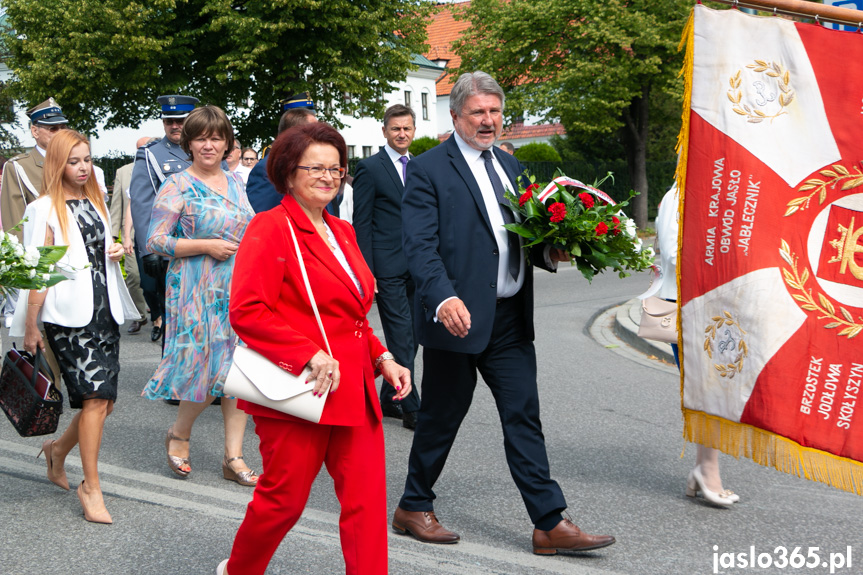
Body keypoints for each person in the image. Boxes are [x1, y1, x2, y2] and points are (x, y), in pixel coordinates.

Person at [393, 71, 616, 555]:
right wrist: (444, 297)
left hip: (511, 317)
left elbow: (520, 239)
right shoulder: (429, 169)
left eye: (494, 111)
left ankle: (549, 521)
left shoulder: (513, 169)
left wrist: (550, 253)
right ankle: (413, 505)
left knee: (523, 414)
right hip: (457, 318)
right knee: (441, 417)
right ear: (455, 117)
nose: (488, 120)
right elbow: (420, 247)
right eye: (478, 112)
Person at [218, 122, 411, 575]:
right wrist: (307, 353)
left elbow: (353, 315)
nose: (328, 177)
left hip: (354, 387)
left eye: (336, 168)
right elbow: (248, 311)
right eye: (316, 168)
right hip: (298, 387)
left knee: (365, 504)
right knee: (283, 503)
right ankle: (240, 570)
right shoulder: (270, 227)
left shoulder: (343, 231)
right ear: (288, 174)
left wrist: (382, 357)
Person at [12, 130, 136, 524]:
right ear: (57, 163)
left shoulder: (95, 202)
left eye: (86, 159)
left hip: (104, 312)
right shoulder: (43, 209)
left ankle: (57, 451)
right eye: (74, 161)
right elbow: (39, 271)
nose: (83, 168)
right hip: (68, 319)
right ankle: (91, 486)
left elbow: (97, 249)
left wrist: (114, 247)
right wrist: (31, 326)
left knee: (105, 402)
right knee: (95, 401)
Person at [141, 105, 258, 486]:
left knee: (237, 373)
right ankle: (179, 433)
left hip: (237, 287)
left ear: (227, 143)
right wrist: (205, 244)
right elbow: (155, 240)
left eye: (217, 137)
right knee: (202, 370)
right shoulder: (177, 184)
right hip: (194, 288)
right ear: (189, 143)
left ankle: (233, 456)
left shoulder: (237, 182)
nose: (209, 145)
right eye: (201, 138)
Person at [654, 185, 740, 508]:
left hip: (712, 307)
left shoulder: (708, 194)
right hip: (686, 307)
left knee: (714, 388)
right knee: (709, 390)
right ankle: (708, 471)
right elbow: (674, 254)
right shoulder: (677, 196)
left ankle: (703, 470)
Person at [352, 103, 422, 429]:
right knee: (402, 337)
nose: (402, 134)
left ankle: (385, 399)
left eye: (407, 128)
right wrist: (367, 271)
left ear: (413, 130)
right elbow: (361, 223)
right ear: (384, 131)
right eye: (396, 129)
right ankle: (411, 407)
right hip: (386, 269)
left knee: (413, 336)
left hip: (418, 266)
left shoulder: (420, 167)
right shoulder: (370, 167)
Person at [129, 94, 200, 342]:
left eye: (180, 120)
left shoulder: (205, 150)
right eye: (169, 120)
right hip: (171, 249)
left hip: (206, 246)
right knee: (176, 320)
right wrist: (149, 249)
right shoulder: (151, 154)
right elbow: (141, 204)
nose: (175, 126)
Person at [1, 98, 69, 239]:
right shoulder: (19, 167)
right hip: (44, 249)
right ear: (35, 131)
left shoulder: (76, 162)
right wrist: (23, 258)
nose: (60, 133)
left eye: (63, 127)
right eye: (53, 129)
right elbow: (15, 223)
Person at [109, 138, 150, 333]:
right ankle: (140, 315)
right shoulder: (123, 172)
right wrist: (111, 235)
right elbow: (118, 204)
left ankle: (158, 317)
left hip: (155, 232)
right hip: (131, 234)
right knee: (133, 276)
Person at [246, 104, 317, 213]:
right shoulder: (268, 169)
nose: (320, 137)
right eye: (314, 132)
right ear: (295, 135)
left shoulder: (314, 165)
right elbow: (264, 217)